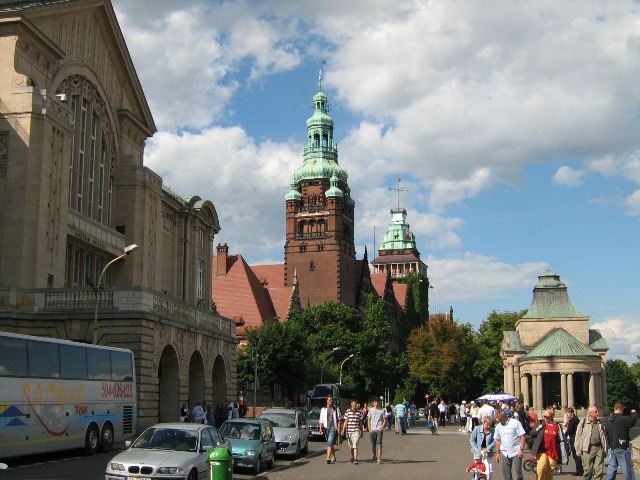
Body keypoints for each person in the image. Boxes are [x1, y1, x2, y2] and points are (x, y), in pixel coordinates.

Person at [529, 408, 568, 480]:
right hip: (542, 450)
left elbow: (561, 439)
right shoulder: (540, 423)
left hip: (553, 450)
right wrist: (537, 429)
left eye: (547, 417)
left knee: (551, 468)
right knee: (541, 467)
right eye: (544, 416)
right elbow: (531, 434)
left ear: (551, 417)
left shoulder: (557, 426)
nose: (545, 418)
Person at [575, 405, 609, 480]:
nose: (598, 413)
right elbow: (578, 437)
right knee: (588, 470)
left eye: (598, 411)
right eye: (596, 412)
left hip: (599, 448)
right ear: (590, 413)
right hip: (587, 448)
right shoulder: (583, 422)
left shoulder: (600, 423)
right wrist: (578, 449)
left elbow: (604, 437)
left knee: (599, 470)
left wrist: (605, 449)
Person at [604, 403, 637, 480]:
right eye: (622, 410)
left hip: (612, 447)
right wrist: (634, 413)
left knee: (612, 468)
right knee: (627, 468)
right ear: (619, 409)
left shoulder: (608, 420)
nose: (623, 411)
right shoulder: (622, 419)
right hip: (622, 446)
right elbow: (632, 421)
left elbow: (606, 433)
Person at [495, 409, 527, 480]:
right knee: (506, 475)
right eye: (498, 419)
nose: (499, 421)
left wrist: (521, 450)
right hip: (505, 452)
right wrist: (497, 453)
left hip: (516, 451)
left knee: (518, 474)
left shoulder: (515, 423)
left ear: (505, 416)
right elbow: (497, 440)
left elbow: (523, 435)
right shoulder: (498, 426)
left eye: (500, 419)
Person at [319, 394, 341, 464]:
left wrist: (339, 427)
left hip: (333, 428)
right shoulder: (323, 409)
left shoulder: (335, 409)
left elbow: (339, 419)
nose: (331, 401)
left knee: (329, 442)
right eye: (329, 400)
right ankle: (333, 456)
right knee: (330, 443)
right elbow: (321, 420)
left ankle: (328, 457)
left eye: (332, 400)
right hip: (326, 428)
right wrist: (320, 428)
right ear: (327, 401)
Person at [341, 400, 363, 464]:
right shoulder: (348, 411)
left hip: (356, 431)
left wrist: (362, 431)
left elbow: (360, 423)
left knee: (355, 445)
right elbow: (345, 422)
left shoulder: (358, 412)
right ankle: (352, 456)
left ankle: (356, 459)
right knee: (351, 446)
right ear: (351, 404)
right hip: (349, 431)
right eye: (353, 404)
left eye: (355, 404)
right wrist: (343, 430)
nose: (354, 406)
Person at [565, 407, 584, 477]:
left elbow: (570, 430)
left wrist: (565, 430)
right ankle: (580, 470)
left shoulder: (573, 420)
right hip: (576, 438)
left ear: (572, 413)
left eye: (568, 413)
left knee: (576, 456)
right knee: (577, 456)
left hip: (574, 439)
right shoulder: (575, 419)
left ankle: (579, 471)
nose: (567, 414)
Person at [368, 397, 386, 464]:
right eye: (375, 402)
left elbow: (384, 420)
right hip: (372, 429)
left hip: (379, 430)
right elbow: (369, 419)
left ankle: (379, 458)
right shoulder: (371, 410)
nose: (376, 403)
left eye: (377, 402)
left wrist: (382, 427)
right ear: (373, 403)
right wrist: (369, 428)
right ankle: (374, 455)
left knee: (379, 443)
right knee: (373, 444)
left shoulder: (382, 410)